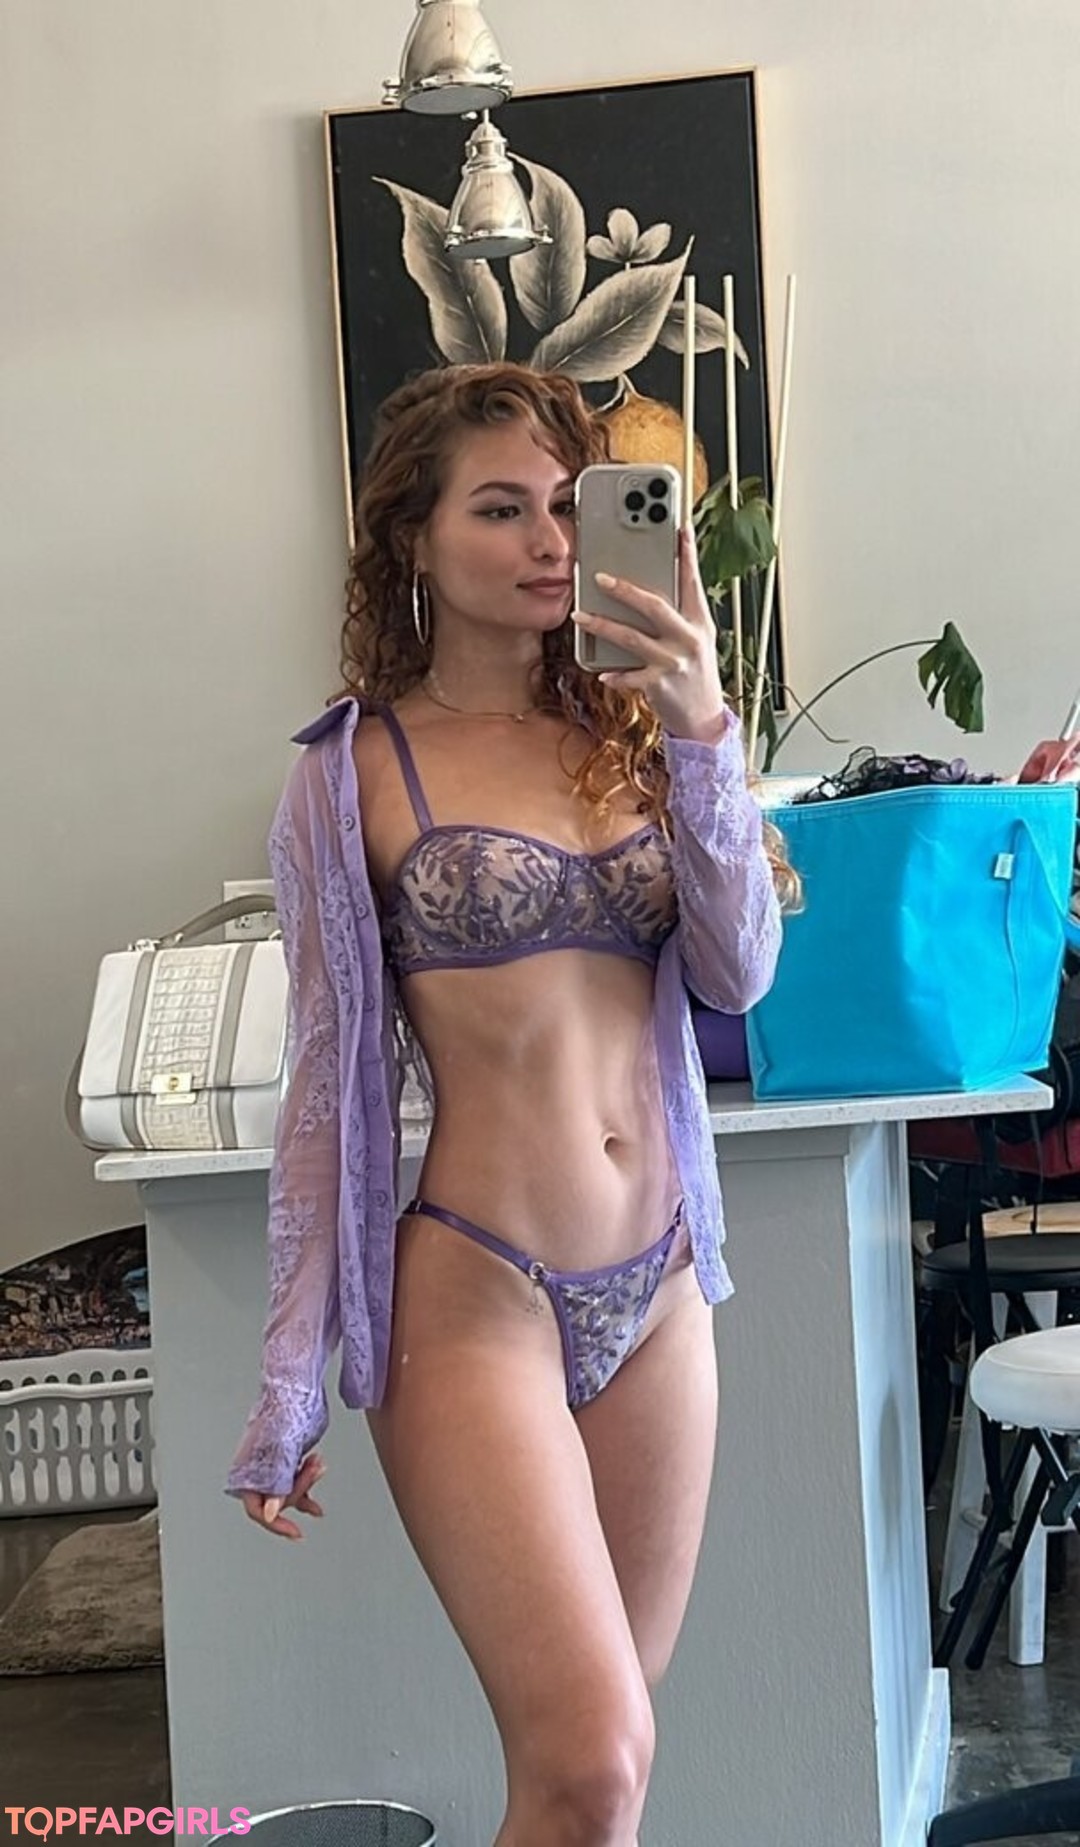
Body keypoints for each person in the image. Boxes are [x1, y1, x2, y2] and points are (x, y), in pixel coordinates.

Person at [225, 362, 794, 1847]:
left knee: (603, 1776)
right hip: (477, 1293)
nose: (548, 541)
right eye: (499, 510)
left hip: (661, 1289)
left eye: (564, 506)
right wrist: (290, 1380)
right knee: (590, 1761)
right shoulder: (350, 773)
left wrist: (702, 726)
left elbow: (738, 973)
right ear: (411, 539)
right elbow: (326, 1090)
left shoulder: (638, 735)